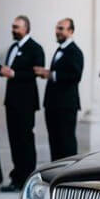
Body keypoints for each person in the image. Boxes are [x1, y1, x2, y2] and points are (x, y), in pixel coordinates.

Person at [0, 15, 45, 192]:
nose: (13, 30)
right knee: (14, 139)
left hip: (26, 102)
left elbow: (37, 72)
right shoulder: (12, 47)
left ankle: (27, 178)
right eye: (13, 26)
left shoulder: (35, 48)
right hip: (11, 100)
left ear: (26, 28)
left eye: (17, 27)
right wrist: (4, 72)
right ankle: (16, 176)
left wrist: (15, 74)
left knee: (25, 139)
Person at [35, 18, 83, 160]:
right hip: (52, 104)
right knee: (54, 142)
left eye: (61, 28)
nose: (57, 31)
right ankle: (56, 175)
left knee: (66, 143)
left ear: (71, 31)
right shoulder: (60, 49)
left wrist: (51, 74)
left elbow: (75, 75)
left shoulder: (75, 51)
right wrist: (47, 73)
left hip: (66, 105)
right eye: (57, 28)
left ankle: (68, 177)